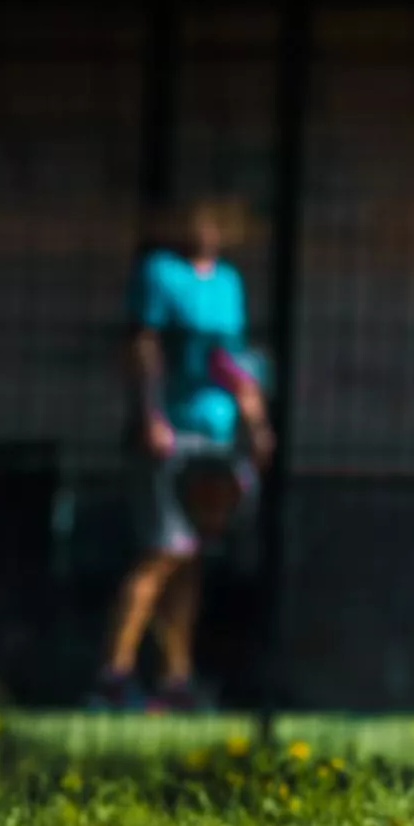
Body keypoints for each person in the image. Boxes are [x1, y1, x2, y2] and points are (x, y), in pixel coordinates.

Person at [96, 196, 272, 713]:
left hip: (214, 435)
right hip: (169, 435)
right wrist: (151, 416)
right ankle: (114, 674)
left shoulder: (228, 283)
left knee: (190, 559)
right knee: (163, 551)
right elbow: (144, 347)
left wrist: (255, 421)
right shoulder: (160, 274)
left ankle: (176, 679)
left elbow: (229, 360)